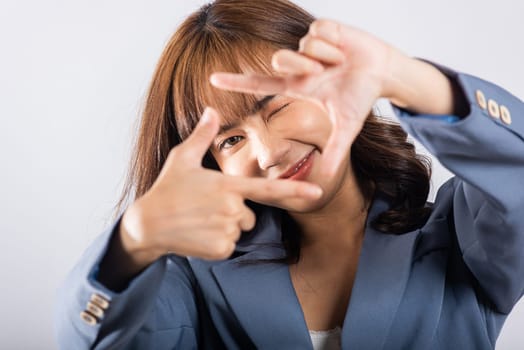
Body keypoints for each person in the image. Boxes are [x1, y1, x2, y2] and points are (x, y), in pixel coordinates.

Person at [55, 0, 524, 349]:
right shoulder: (195, 279)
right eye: (230, 140)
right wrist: (133, 241)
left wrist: (400, 75)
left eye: (276, 105)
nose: (269, 152)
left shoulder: (458, 235)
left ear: (335, 82)